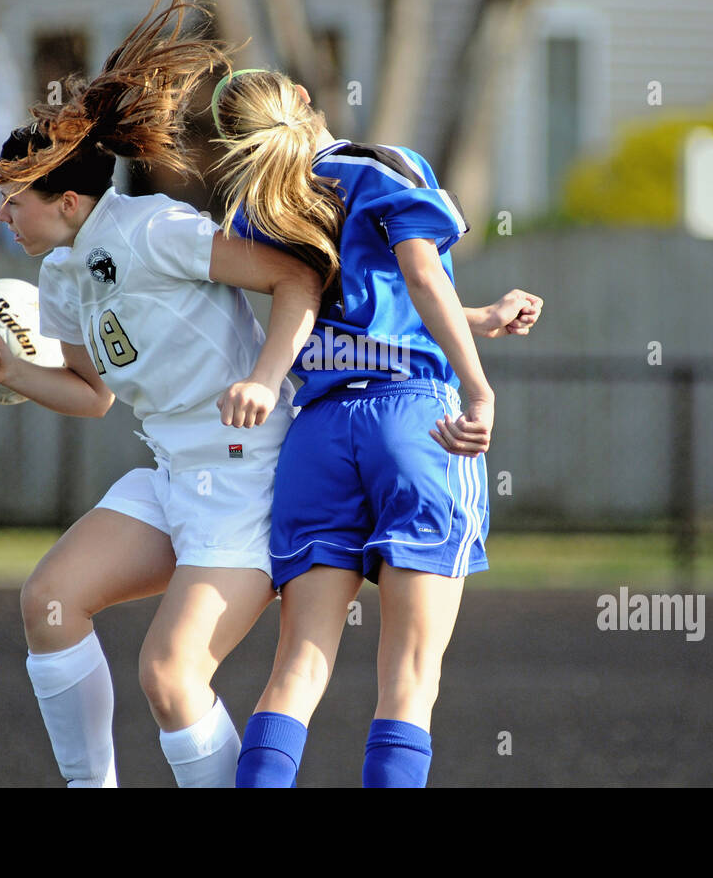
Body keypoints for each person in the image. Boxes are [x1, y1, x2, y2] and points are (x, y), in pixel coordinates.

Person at [0, 0, 321, 788]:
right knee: (49, 600)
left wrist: (268, 376)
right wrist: (15, 370)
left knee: (168, 674)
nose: (4, 216)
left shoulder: (156, 227)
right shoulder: (60, 274)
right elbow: (94, 394)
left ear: (72, 198)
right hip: (175, 478)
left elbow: (299, 277)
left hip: (252, 479)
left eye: (15, 200)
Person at [208, 68, 542, 787]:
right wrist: (478, 388)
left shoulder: (258, 207)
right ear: (301, 100)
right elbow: (420, 277)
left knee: (296, 668)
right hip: (412, 420)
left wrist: (480, 318)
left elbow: (356, 313)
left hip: (319, 432)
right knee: (409, 681)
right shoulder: (381, 164)